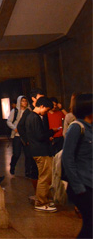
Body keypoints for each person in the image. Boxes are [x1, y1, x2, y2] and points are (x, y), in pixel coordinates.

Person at [62, 93, 92, 238]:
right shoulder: (76, 127)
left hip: (90, 182)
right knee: (90, 225)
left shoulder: (90, 128)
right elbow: (68, 159)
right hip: (83, 185)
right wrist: (78, 187)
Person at [26, 97, 57, 212]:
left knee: (44, 176)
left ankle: (45, 200)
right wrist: (51, 132)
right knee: (45, 177)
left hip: (37, 150)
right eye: (47, 110)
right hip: (40, 151)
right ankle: (41, 202)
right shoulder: (35, 118)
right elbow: (39, 136)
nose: (47, 112)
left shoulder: (32, 117)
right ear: (42, 106)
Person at [17, 88, 45, 182]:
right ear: (33, 98)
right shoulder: (29, 111)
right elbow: (20, 126)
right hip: (32, 143)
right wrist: (26, 140)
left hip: (40, 143)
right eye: (39, 98)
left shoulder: (43, 110)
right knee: (33, 165)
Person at [7, 96, 30, 175]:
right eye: (22, 101)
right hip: (17, 135)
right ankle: (12, 165)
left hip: (26, 135)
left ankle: (27, 171)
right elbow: (9, 121)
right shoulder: (15, 111)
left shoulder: (28, 111)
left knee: (28, 154)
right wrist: (14, 128)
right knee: (16, 154)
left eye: (25, 101)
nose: (24, 102)